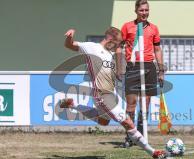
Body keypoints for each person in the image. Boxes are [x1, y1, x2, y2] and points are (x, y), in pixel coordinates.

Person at [60, 27, 167, 159]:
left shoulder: (110, 55)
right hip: (102, 94)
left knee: (104, 122)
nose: (119, 46)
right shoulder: (91, 47)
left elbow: (117, 74)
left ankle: (74, 104)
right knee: (128, 122)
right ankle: (153, 152)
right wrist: (69, 37)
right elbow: (69, 45)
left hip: (110, 94)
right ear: (110, 38)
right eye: (118, 43)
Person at [121, 0, 165, 147]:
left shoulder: (154, 28)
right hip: (133, 67)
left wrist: (161, 70)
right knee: (130, 106)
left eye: (146, 10)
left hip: (149, 68)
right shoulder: (127, 27)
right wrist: (120, 67)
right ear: (136, 11)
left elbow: (157, 50)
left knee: (145, 105)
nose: (144, 13)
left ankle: (141, 135)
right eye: (141, 10)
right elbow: (119, 48)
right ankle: (129, 137)